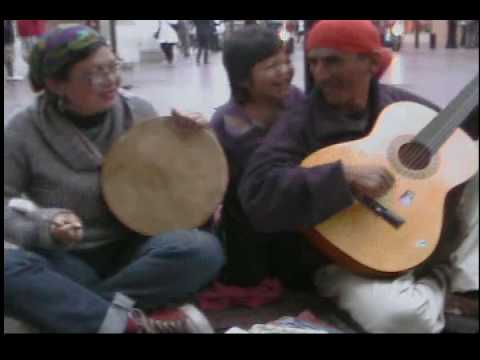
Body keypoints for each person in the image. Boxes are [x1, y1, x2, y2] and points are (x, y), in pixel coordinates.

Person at [237, 20, 478, 333]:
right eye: (314, 62)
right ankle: (443, 283)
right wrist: (340, 176)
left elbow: (457, 137)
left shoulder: (400, 106)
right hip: (347, 261)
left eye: (333, 60)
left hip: (415, 233)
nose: (320, 74)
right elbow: (256, 191)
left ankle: (461, 281)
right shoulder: (299, 123)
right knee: (402, 319)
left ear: (372, 62)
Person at [4, 26, 224, 333]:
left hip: (136, 252)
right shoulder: (22, 130)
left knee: (201, 250)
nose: (111, 80)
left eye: (112, 66)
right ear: (56, 83)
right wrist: (45, 223)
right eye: (94, 74)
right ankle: (131, 326)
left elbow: (172, 182)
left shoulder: (138, 111)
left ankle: (70, 315)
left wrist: (194, 142)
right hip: (67, 260)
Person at [210, 26, 307, 288]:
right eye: (272, 65)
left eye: (286, 60)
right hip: (250, 228)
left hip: (300, 218)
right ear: (242, 79)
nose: (285, 71)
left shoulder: (300, 102)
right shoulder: (226, 124)